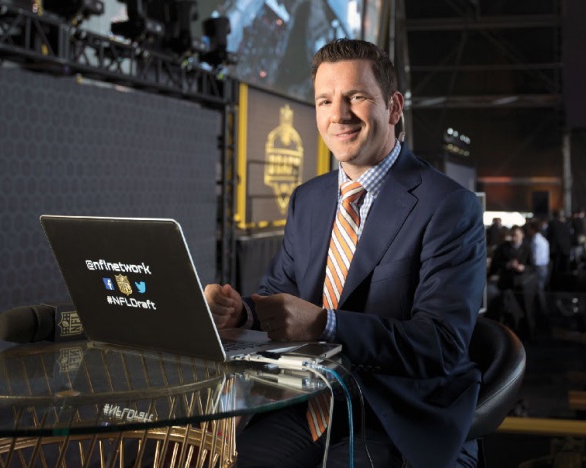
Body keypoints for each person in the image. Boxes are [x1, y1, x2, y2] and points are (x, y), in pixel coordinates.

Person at [204, 39, 485, 468]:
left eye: (356, 97)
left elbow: (440, 345)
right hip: (307, 402)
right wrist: (242, 312)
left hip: (394, 415)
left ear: (392, 107)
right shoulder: (308, 199)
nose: (339, 115)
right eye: (324, 100)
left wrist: (325, 324)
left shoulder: (448, 206)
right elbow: (279, 293)